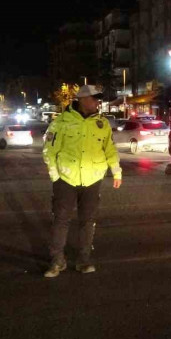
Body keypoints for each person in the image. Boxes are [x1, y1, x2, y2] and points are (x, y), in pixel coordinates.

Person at [42, 85, 122, 278]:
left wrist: (116, 172)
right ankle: (57, 261)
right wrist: (56, 176)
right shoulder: (62, 122)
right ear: (82, 100)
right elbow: (49, 151)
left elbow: (109, 149)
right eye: (94, 99)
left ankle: (83, 260)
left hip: (92, 179)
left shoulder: (101, 123)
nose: (97, 102)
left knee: (88, 222)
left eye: (97, 99)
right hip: (66, 179)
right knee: (61, 221)